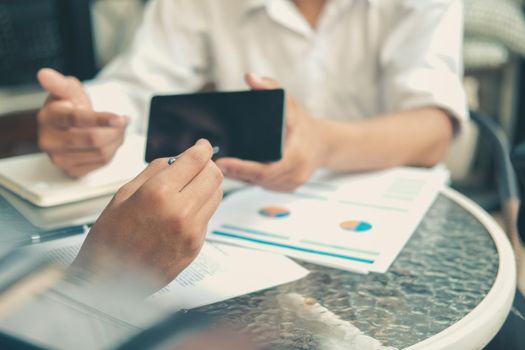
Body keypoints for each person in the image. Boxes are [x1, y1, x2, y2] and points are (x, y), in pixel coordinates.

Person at [36, 0, 467, 191]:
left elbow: (433, 129)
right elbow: (135, 86)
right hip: (245, 208)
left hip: (381, 202)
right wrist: (85, 119)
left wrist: (322, 143)